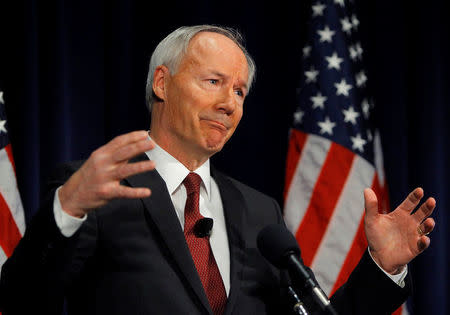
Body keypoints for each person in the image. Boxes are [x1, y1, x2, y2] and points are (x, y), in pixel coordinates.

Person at [0, 25, 436, 315]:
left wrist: (381, 268)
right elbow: (22, 298)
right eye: (214, 82)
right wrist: (68, 208)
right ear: (162, 83)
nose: (230, 103)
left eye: (240, 91)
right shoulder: (96, 189)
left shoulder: (260, 213)